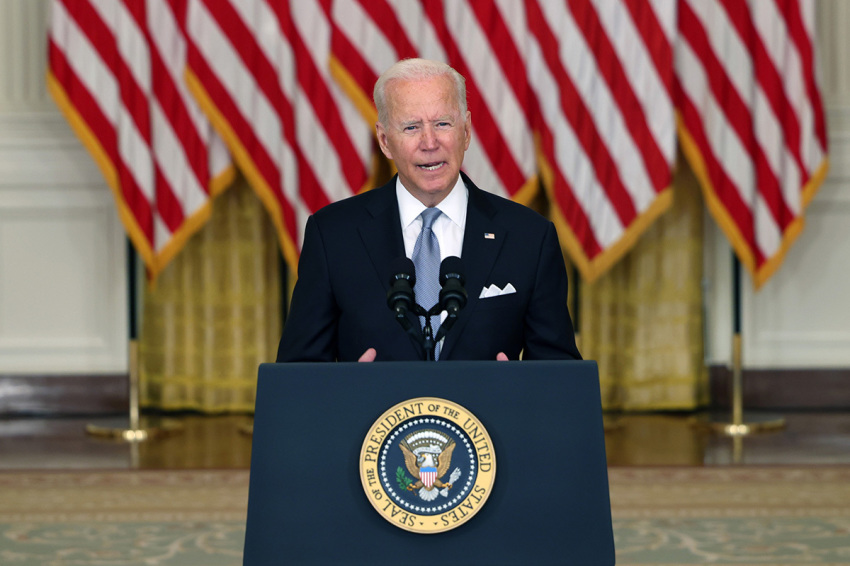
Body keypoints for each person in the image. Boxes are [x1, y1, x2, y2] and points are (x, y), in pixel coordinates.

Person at [276, 58, 580, 362]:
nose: (430, 142)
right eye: (411, 127)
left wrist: (517, 391)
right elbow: (297, 377)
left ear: (466, 131)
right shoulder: (333, 235)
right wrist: (351, 391)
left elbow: (560, 380)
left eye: (442, 124)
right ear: (384, 140)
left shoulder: (528, 237)